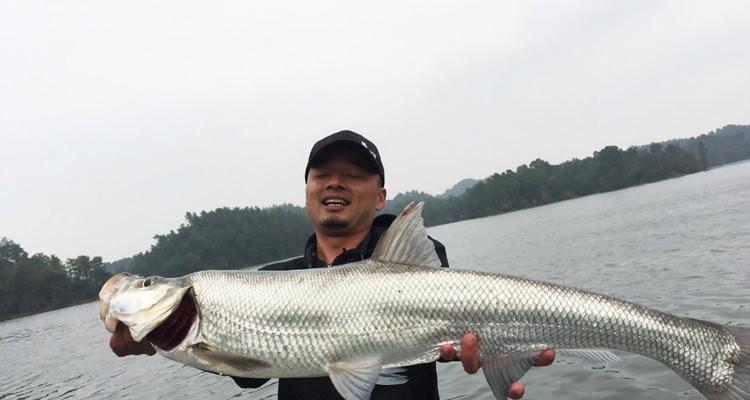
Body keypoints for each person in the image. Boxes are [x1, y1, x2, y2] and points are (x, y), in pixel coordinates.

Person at [109, 130, 555, 399]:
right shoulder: (269, 283)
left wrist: (498, 356)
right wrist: (155, 342)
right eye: (321, 174)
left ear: (381, 196)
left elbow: (444, 341)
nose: (335, 182)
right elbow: (245, 371)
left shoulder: (417, 266)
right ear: (306, 191)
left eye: (354, 174)